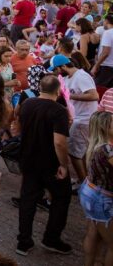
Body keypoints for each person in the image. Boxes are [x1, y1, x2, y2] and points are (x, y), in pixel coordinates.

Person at [15, 74, 73, 256]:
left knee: (28, 200)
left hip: (28, 159)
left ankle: (23, 241)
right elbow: (59, 142)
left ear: (39, 88)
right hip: (50, 164)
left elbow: (17, 126)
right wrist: (64, 165)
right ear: (57, 91)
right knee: (61, 198)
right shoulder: (58, 111)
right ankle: (51, 238)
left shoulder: (27, 104)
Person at [50, 54, 98, 183]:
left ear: (64, 66)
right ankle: (85, 180)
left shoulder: (81, 76)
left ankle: (84, 183)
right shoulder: (66, 77)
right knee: (79, 152)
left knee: (74, 153)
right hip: (77, 119)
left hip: (84, 119)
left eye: (56, 69)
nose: (56, 72)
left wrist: (71, 96)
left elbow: (94, 95)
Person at [78, 111, 113, 266]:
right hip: (102, 197)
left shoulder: (96, 144)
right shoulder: (107, 149)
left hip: (90, 191)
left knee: (93, 234)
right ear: (105, 128)